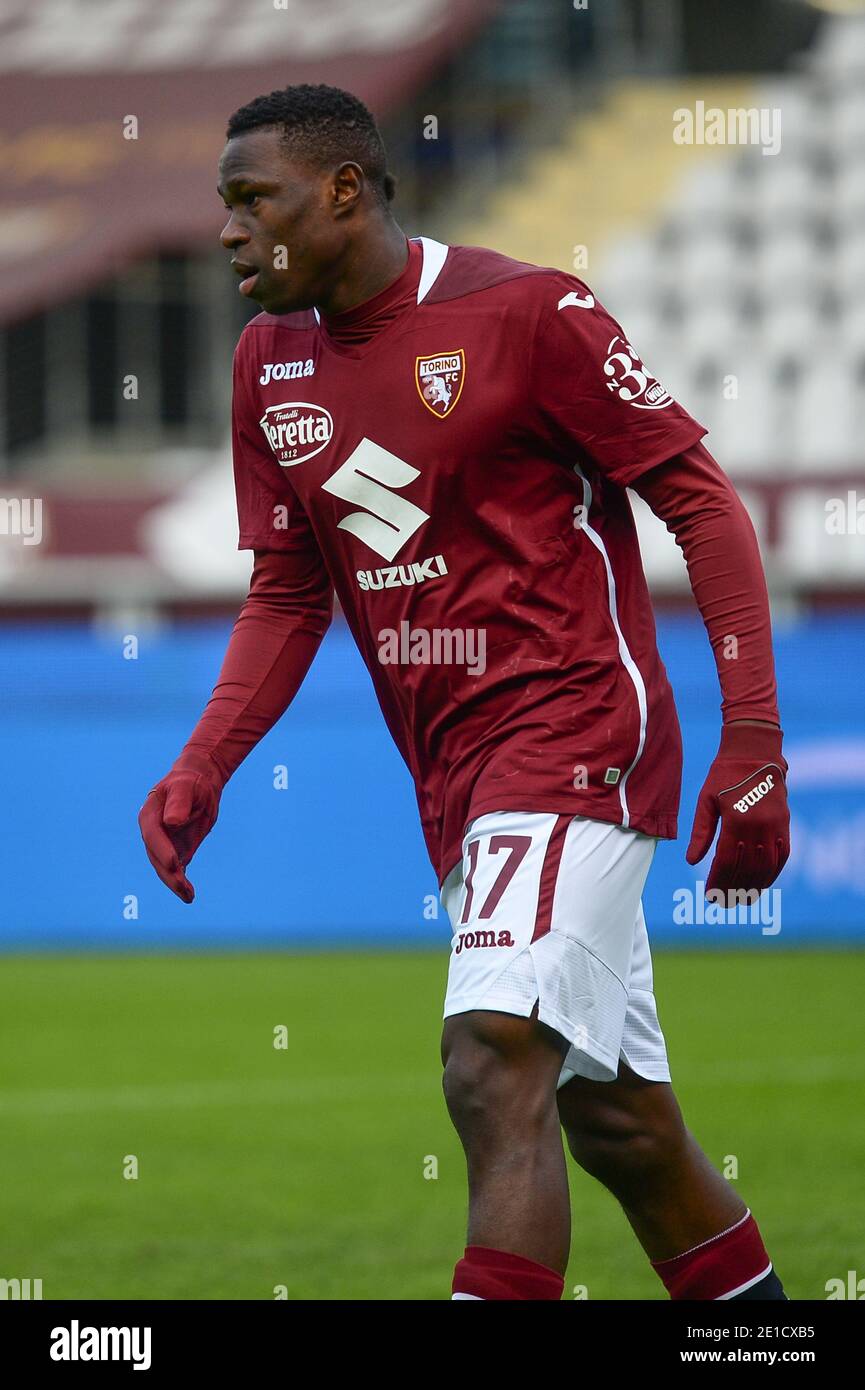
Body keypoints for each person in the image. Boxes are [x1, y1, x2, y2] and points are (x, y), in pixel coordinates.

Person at [139, 84, 791, 1301]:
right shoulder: (266, 364)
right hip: (455, 781)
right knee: (624, 1133)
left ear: (342, 191)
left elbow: (699, 499)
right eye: (221, 204)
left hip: (574, 734)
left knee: (489, 1067)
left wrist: (751, 732)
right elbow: (290, 592)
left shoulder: (527, 311)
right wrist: (204, 760)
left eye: (249, 200)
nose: (228, 231)